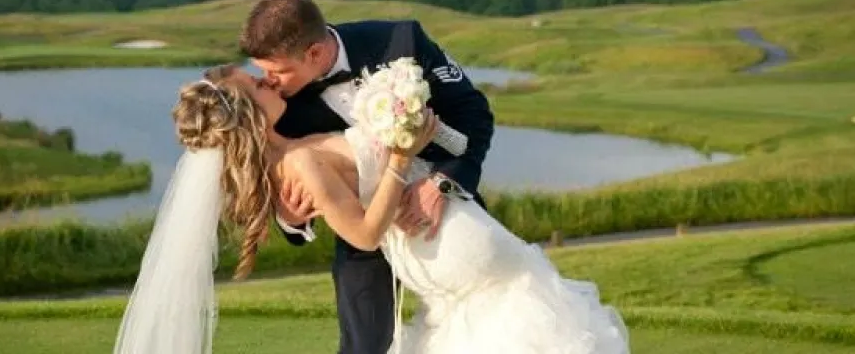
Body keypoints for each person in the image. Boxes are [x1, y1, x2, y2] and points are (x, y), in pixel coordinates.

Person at [113, 63, 629, 353]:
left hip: (447, 250)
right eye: (255, 84)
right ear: (247, 111)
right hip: (456, 255)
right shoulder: (300, 161)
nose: (265, 79)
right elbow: (362, 234)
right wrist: (402, 157)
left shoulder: (290, 152)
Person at [240, 0, 495, 354]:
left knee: (481, 321)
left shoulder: (401, 42)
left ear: (313, 53)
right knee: (363, 346)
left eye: (277, 71)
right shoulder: (278, 106)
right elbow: (283, 173)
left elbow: (474, 117)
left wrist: (443, 184)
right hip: (362, 231)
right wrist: (291, 219)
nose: (268, 81)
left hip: (440, 205)